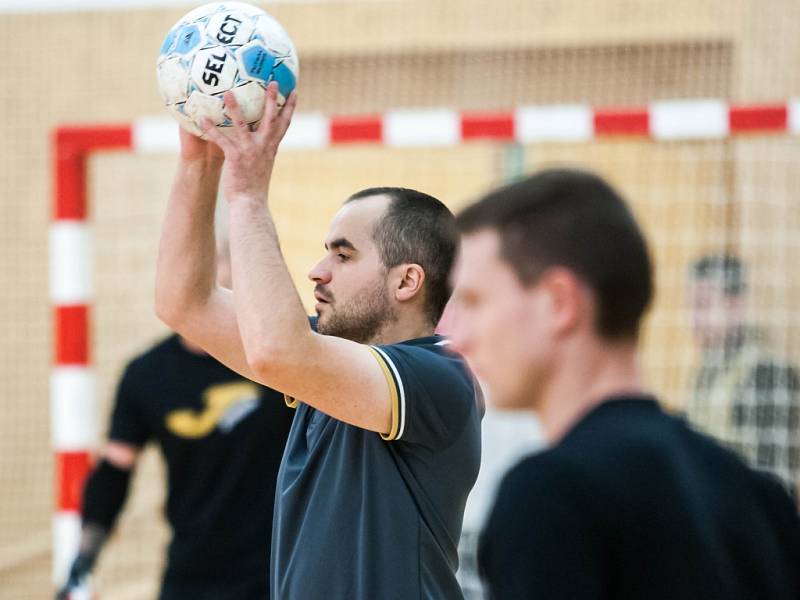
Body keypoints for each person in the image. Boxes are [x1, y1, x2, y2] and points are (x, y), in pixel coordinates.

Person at [154, 83, 482, 599]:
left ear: (406, 282)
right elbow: (183, 303)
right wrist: (199, 161)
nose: (317, 271)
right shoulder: (324, 355)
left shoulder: (440, 378)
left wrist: (247, 194)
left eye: (343, 255)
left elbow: (277, 350)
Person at [448, 168, 800, 599]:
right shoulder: (759, 496)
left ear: (559, 302)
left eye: (474, 302)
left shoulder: (550, 493)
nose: (461, 337)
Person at [56, 243, 295, 600]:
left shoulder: (277, 360)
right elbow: (115, 471)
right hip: (192, 573)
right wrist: (87, 550)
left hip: (279, 569)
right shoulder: (147, 374)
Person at [685, 252, 800, 497]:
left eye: (704, 305)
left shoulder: (767, 374)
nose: (693, 319)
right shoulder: (704, 375)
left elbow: (776, 480)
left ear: (735, 305)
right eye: (691, 306)